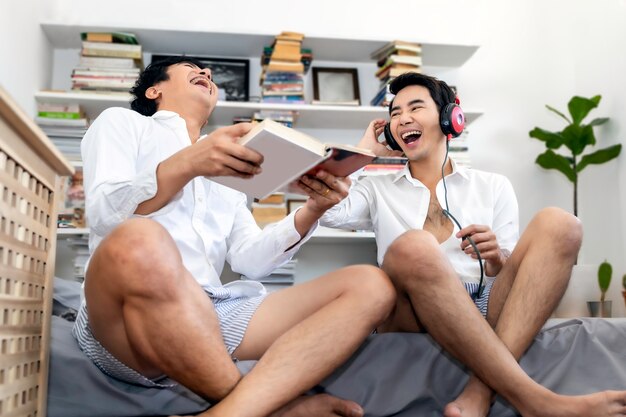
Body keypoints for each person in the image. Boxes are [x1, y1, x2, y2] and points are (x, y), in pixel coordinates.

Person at [73, 55, 396, 417]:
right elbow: (104, 214)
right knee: (141, 238)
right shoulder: (124, 123)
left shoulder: (227, 162)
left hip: (210, 313)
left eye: (209, 73)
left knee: (372, 285)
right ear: (154, 89)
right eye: (191, 70)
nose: (206, 73)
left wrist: (312, 211)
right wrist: (190, 162)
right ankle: (277, 409)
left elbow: (250, 261)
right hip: (124, 316)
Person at [320, 72, 626, 417]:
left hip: (482, 302)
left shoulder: (492, 185)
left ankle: (478, 393)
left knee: (562, 224)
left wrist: (497, 257)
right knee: (415, 247)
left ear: (451, 118)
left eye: (415, 107)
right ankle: (536, 399)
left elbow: (510, 272)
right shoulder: (376, 188)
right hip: (407, 308)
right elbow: (329, 213)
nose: (403, 118)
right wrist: (365, 153)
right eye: (395, 114)